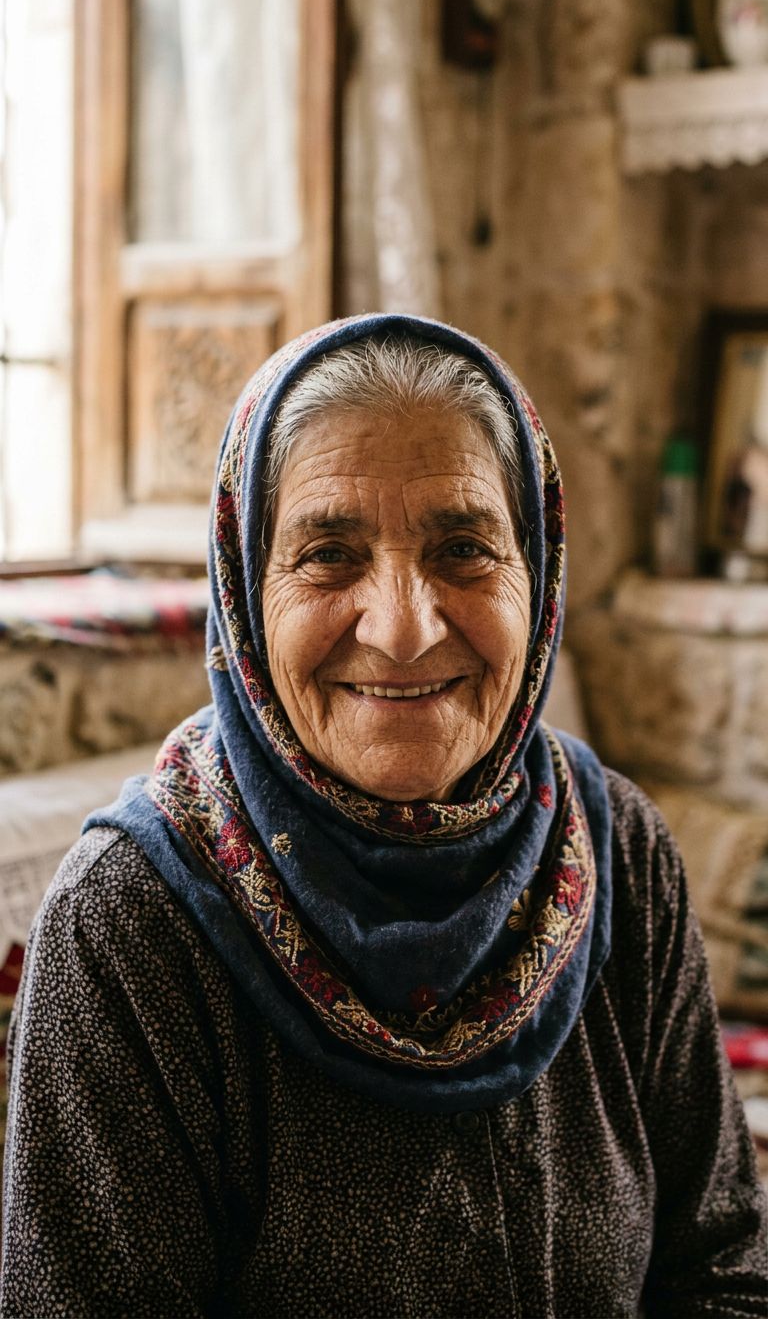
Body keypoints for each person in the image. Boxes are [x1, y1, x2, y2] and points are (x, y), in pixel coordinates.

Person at [1, 314, 766, 1318]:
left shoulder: (616, 843)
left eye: (462, 546)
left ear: (537, 575)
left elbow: (721, 1268)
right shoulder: (132, 924)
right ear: (244, 588)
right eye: (328, 553)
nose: (403, 626)